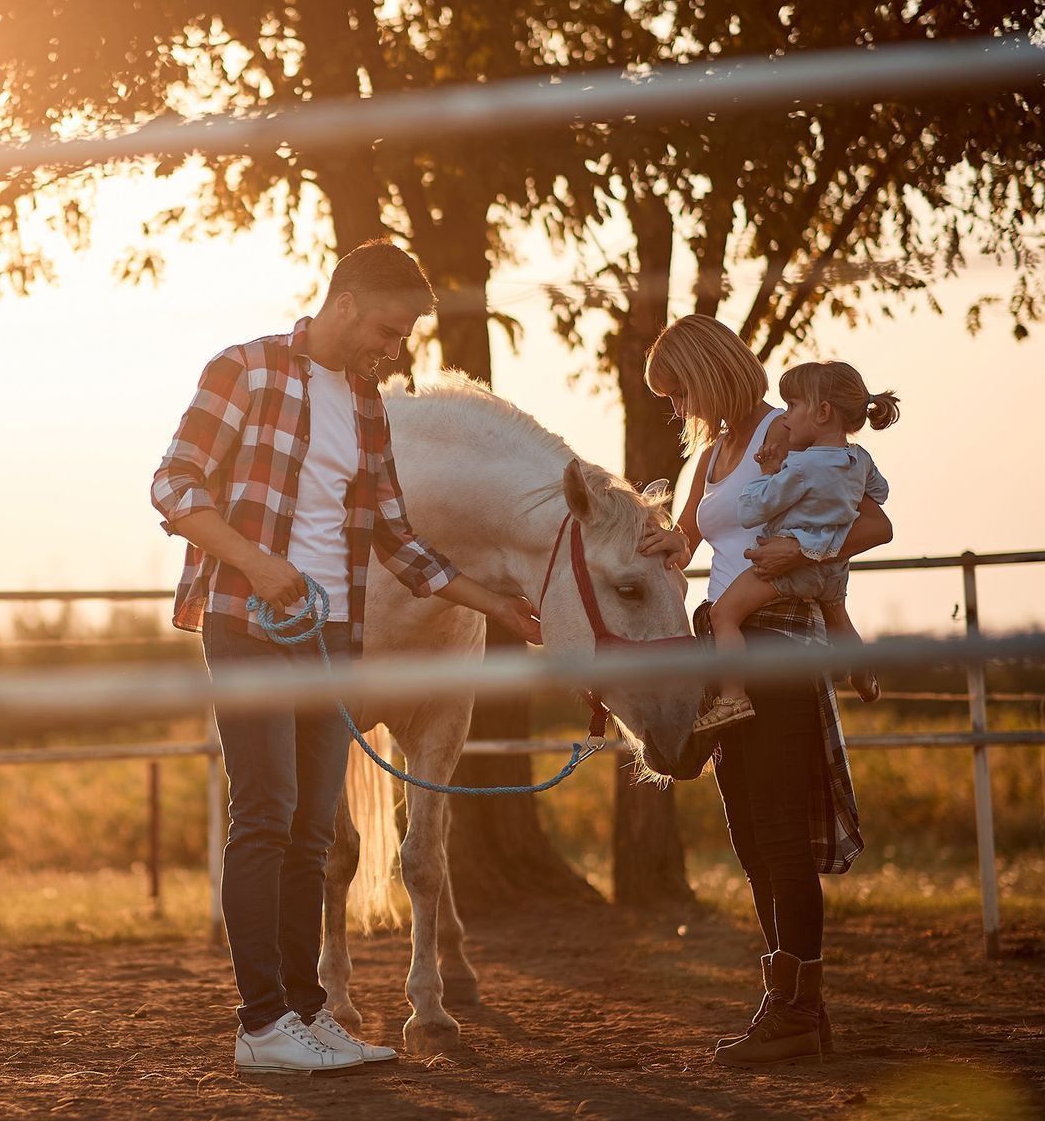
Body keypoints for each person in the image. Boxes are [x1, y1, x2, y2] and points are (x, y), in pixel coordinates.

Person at [150, 239, 541, 1075]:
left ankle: (308, 1011)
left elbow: (397, 540)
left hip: (333, 640)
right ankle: (261, 1026)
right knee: (263, 816)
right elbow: (175, 485)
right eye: (388, 331)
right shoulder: (246, 371)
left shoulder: (365, 404)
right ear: (345, 303)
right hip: (250, 620)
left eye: (403, 340)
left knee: (309, 833)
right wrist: (258, 562)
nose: (393, 352)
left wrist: (496, 605)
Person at [637, 315, 889, 1067]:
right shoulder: (710, 454)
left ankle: (797, 1014)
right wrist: (659, 542)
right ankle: (789, 1008)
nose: (677, 410)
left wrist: (804, 550)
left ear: (709, 374)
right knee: (750, 836)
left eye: (679, 392)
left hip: (780, 638)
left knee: (779, 835)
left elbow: (873, 522)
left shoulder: (792, 430)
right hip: (726, 643)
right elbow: (690, 540)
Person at [696, 361, 900, 733]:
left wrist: (768, 473)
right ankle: (863, 673)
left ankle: (733, 696)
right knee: (839, 618)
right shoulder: (860, 459)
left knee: (722, 615)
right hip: (833, 569)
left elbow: (752, 508)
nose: (785, 416)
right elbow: (880, 494)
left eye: (792, 406)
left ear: (822, 413)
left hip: (794, 570)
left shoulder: (801, 466)